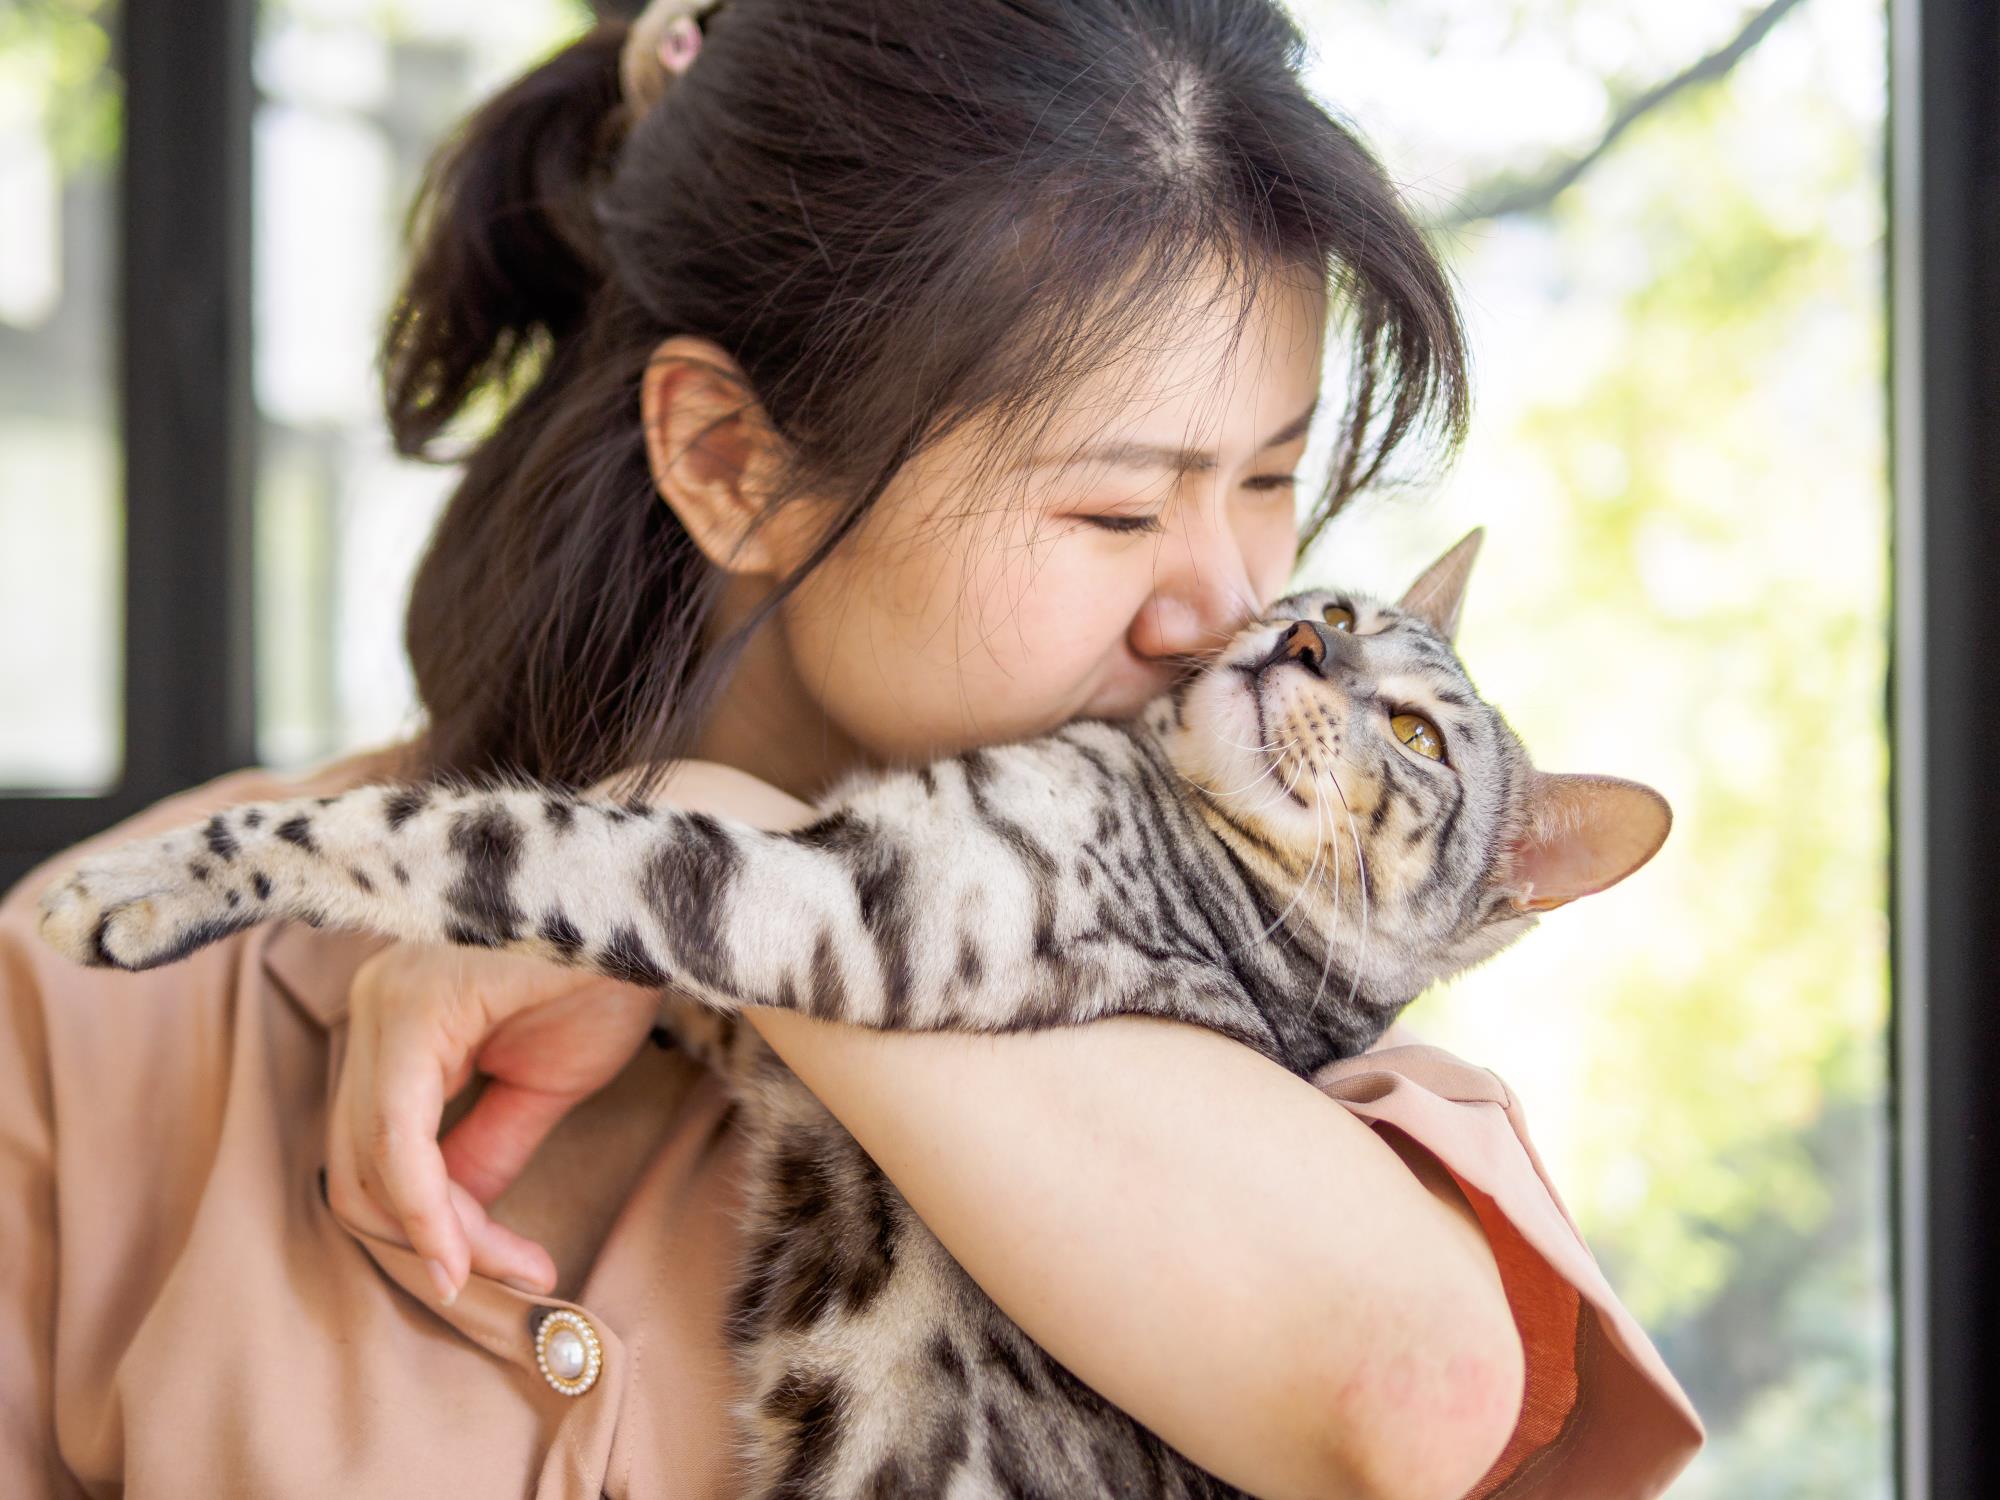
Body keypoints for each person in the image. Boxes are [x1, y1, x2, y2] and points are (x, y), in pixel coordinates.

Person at [0, 1, 1704, 1496]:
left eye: (1270, 480)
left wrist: (703, 844)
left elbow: (1410, 1392)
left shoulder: (1306, 1004)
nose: (1227, 610)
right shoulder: (102, 1008)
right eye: (1118, 503)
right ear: (733, 459)